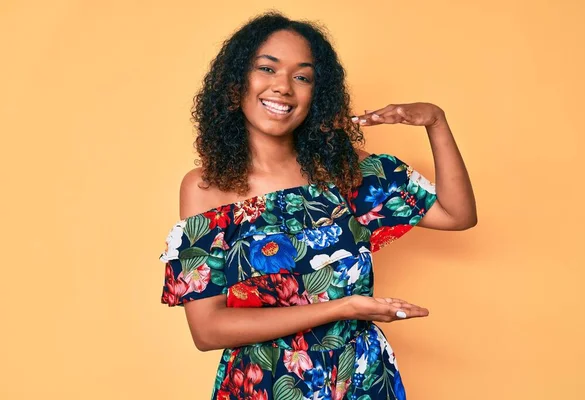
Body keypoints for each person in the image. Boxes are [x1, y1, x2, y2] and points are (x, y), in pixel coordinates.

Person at [159, 11, 477, 400]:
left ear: (317, 95)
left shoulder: (345, 172)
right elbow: (207, 331)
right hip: (268, 384)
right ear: (235, 82)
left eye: (302, 76)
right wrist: (340, 309)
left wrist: (436, 123)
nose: (283, 87)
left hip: (359, 380)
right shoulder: (207, 189)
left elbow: (457, 214)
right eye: (267, 68)